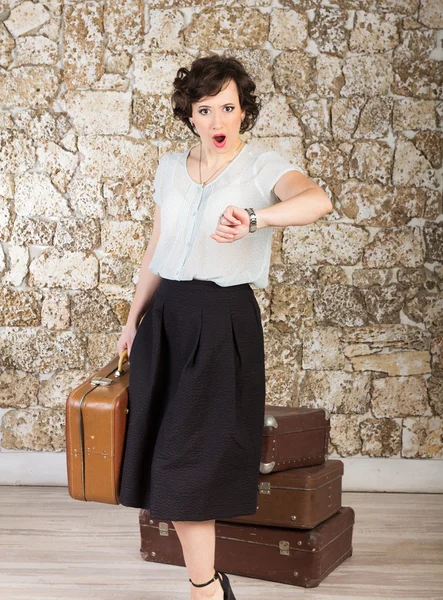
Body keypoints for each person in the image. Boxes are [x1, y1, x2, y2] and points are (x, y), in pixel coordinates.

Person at [116, 55, 333, 600]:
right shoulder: (170, 167)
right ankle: (209, 586)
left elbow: (317, 200)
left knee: (186, 456)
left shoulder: (261, 165)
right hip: (166, 316)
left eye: (228, 108)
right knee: (163, 456)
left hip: (221, 321)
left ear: (243, 112)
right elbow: (156, 249)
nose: (217, 120)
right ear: (190, 114)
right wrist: (132, 318)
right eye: (205, 108)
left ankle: (204, 589)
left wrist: (257, 219)